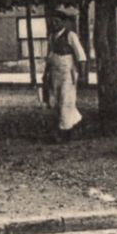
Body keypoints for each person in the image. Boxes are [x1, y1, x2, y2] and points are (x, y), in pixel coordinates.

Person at [41, 8, 89, 142]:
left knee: (66, 100)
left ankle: (64, 132)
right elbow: (49, 57)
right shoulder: (51, 37)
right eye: (52, 22)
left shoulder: (70, 35)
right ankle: (78, 123)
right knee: (56, 101)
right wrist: (46, 74)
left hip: (68, 72)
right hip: (55, 73)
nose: (54, 24)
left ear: (64, 22)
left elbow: (81, 56)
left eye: (57, 21)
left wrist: (83, 75)